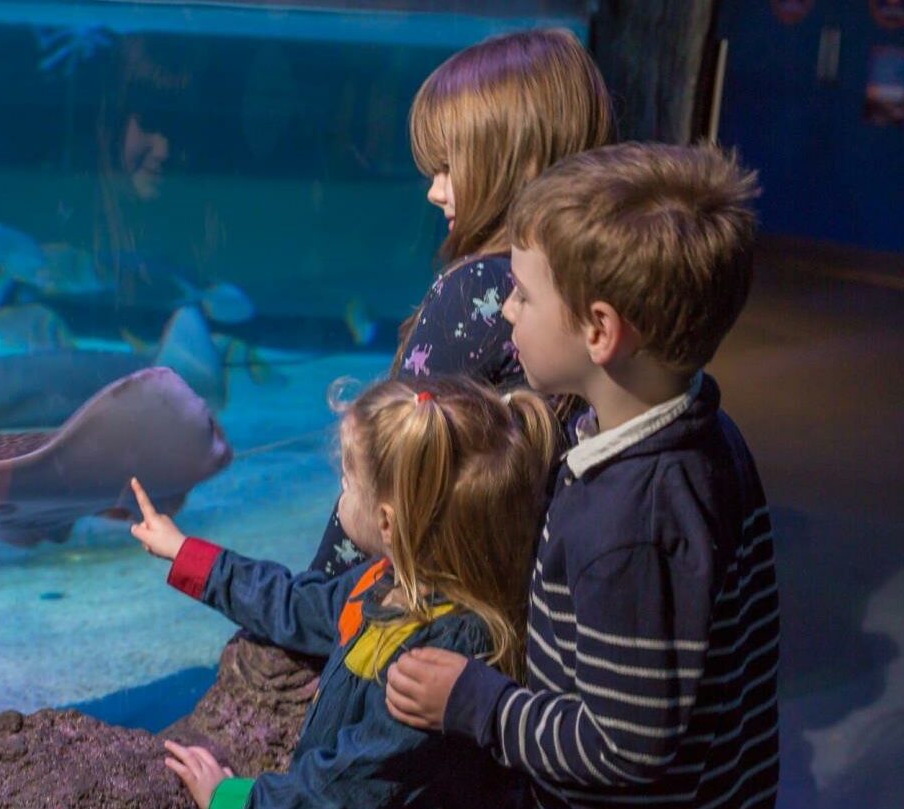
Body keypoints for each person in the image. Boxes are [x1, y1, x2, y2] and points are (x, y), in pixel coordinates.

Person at [384, 143, 780, 809]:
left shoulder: (632, 522)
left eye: (523, 294)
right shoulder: (706, 434)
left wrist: (475, 702)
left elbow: (621, 746)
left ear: (599, 329)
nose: (507, 310)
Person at [129, 375, 558, 808]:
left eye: (349, 484)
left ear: (387, 522)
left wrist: (233, 798)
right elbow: (293, 604)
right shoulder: (382, 582)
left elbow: (348, 789)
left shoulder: (439, 655)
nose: (342, 495)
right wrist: (188, 555)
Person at [308, 27, 614, 577]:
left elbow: (385, 470)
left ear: (518, 162)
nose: (434, 190)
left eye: (450, 166)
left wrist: (305, 607)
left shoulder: (480, 287)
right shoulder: (586, 286)